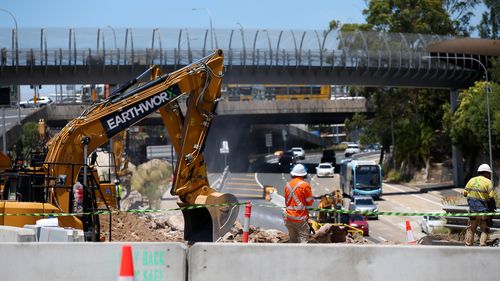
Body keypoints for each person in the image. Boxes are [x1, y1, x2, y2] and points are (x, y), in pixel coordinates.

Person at [464, 163, 496, 246]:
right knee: (485, 229)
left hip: (473, 211)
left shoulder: (471, 180)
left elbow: (465, 193)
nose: (489, 175)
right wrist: (493, 209)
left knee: (471, 229)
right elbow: (491, 198)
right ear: (485, 172)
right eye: (488, 173)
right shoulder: (488, 182)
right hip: (483, 211)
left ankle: (468, 246)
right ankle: (482, 246)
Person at [284, 164, 314, 243]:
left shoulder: (287, 185)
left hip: (289, 218)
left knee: (293, 240)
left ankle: (292, 255)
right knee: (304, 241)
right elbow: (310, 202)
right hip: (300, 218)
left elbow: (286, 202)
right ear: (304, 175)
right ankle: (302, 255)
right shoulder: (305, 185)